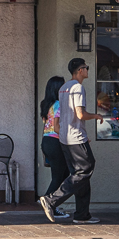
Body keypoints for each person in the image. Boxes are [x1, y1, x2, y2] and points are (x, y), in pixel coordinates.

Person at [39, 58, 103, 225]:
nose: (88, 70)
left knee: (80, 173)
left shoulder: (63, 88)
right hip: (76, 137)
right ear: (80, 70)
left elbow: (62, 117)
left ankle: (82, 214)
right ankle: (52, 200)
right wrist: (96, 116)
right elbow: (80, 114)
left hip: (64, 138)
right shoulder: (77, 87)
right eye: (86, 68)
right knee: (85, 170)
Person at [39, 76, 71, 221]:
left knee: (62, 174)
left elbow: (46, 125)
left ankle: (50, 201)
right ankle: (50, 202)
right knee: (60, 176)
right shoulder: (58, 104)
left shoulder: (45, 104)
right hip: (56, 141)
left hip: (46, 141)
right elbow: (57, 127)